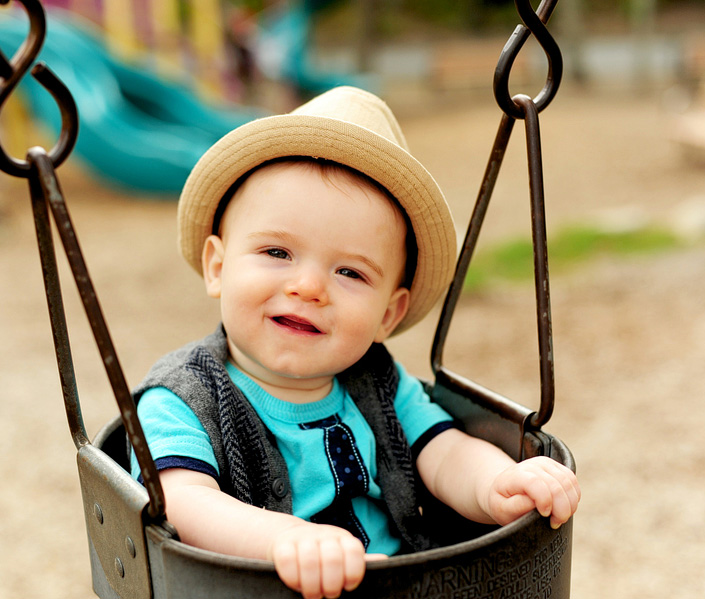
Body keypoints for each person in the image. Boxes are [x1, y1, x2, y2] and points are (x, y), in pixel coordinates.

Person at [132, 86, 580, 599]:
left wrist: (496, 483)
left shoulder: (381, 382)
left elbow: (444, 452)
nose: (308, 287)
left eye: (350, 272)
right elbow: (181, 500)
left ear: (388, 314)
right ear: (217, 266)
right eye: (277, 251)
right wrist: (286, 539)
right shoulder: (181, 398)